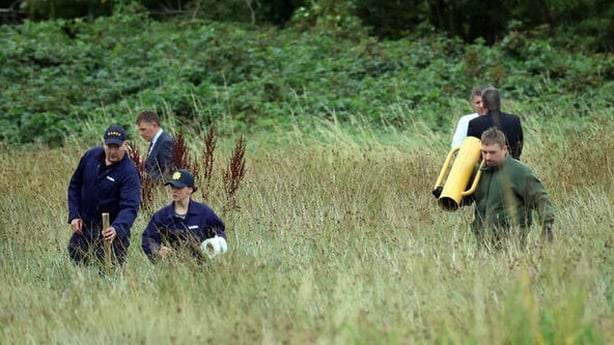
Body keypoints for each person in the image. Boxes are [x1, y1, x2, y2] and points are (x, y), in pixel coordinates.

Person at [462, 127, 554, 247]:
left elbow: (541, 198)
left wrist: (547, 225)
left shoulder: (520, 172)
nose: (487, 157)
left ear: (504, 149)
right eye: (484, 152)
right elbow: (466, 199)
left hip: (512, 244)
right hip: (482, 244)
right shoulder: (478, 172)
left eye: (492, 152)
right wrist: (447, 197)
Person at [67, 125, 141, 267]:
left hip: (111, 235)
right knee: (78, 274)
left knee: (108, 278)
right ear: (103, 143)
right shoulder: (90, 156)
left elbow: (130, 206)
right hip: (84, 231)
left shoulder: (129, 173)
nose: (112, 151)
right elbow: (74, 185)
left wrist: (117, 228)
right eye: (109, 146)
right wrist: (74, 215)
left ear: (125, 145)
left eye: (117, 147)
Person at [141, 169, 227, 263]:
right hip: (173, 269)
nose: (174, 191)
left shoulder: (204, 212)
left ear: (190, 189)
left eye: (179, 187)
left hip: (202, 268)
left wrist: (217, 243)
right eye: (172, 187)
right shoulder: (162, 216)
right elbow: (148, 238)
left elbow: (219, 232)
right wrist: (157, 250)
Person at [467, 87, 524, 160]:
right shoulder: (514, 120)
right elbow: (519, 146)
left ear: (484, 104)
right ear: (500, 102)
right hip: (512, 165)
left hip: (486, 167)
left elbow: (470, 151)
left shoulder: (474, 123)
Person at [136, 110, 174, 180]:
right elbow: (156, 167)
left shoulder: (165, 142)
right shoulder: (156, 140)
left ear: (154, 125)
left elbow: (168, 173)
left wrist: (145, 176)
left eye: (143, 129)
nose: (141, 134)